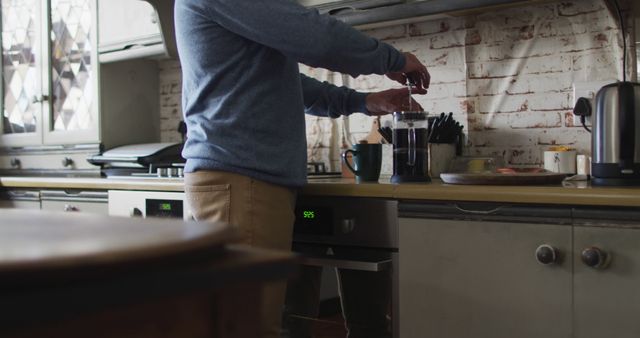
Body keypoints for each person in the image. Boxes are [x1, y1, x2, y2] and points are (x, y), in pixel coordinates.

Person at [174, 1, 430, 337]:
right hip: (243, 181)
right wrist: (394, 59)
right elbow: (316, 36)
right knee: (248, 327)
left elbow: (285, 82)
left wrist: (362, 102)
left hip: (240, 181)